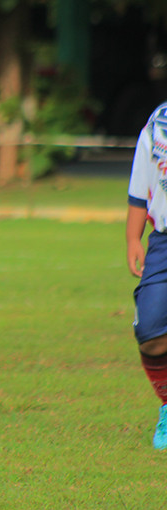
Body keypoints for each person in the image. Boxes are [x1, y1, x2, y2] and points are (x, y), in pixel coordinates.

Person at [127, 101, 167, 449]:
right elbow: (140, 190)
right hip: (164, 243)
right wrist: (132, 239)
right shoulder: (159, 122)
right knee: (152, 332)